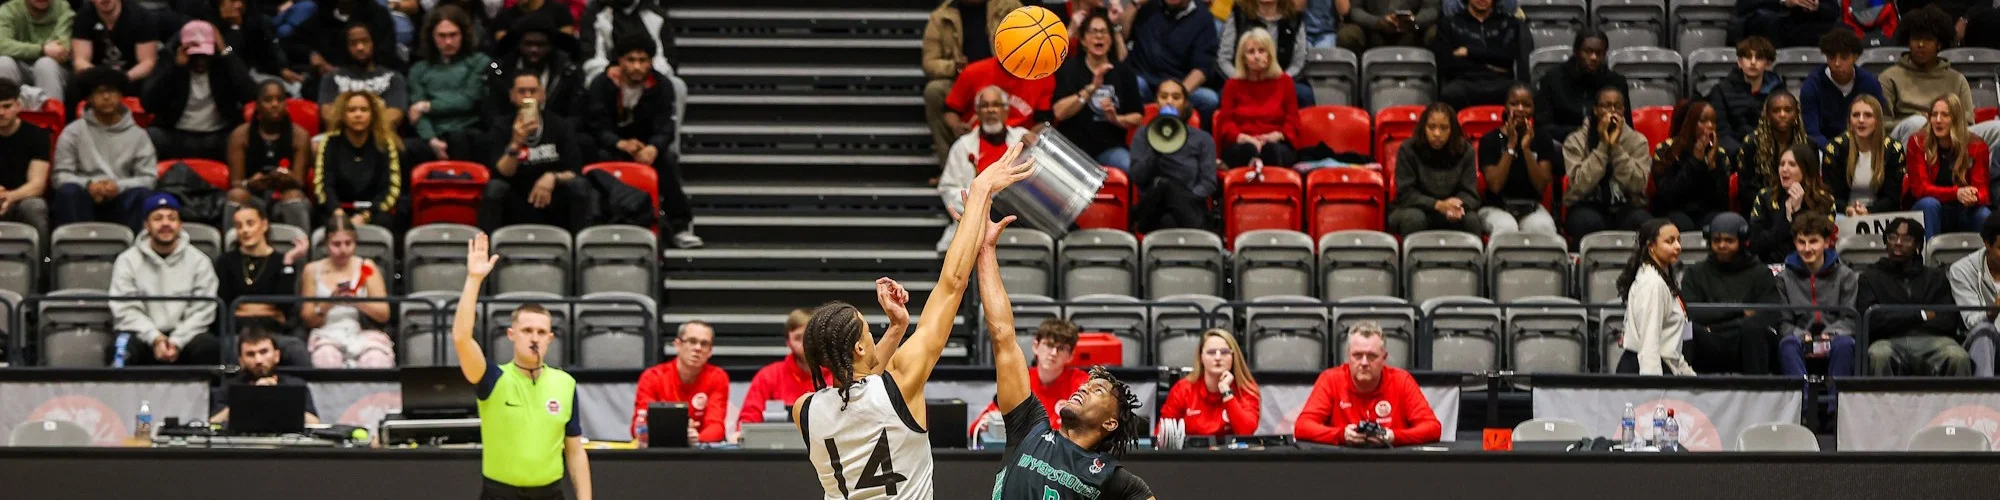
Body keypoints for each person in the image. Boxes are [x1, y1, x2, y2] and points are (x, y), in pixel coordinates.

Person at [797, 142, 1034, 500]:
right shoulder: (901, 383)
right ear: (860, 347)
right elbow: (952, 285)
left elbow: (861, 388)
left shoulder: (805, 409)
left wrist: (895, 329)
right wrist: (982, 188)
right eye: (869, 330)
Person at [977, 214, 1155, 499]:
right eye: (1085, 385)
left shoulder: (1113, 478)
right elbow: (1003, 336)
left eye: (1097, 390)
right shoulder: (1029, 426)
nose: (1083, 388)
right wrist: (985, 251)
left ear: (1110, 423)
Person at [451, 233, 592, 500]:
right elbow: (461, 338)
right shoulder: (492, 378)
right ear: (511, 334)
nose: (534, 337)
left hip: (550, 494)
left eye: (541, 332)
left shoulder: (565, 384)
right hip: (499, 494)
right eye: (527, 330)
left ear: (550, 338)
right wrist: (474, 279)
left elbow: (574, 450)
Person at [584, 35, 700, 249]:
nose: (637, 66)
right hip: (612, 146)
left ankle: (680, 226)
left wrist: (653, 147)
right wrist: (618, 143)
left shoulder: (662, 85)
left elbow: (666, 125)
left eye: (643, 60)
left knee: (667, 161)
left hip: (646, 147)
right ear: (620, 61)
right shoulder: (602, 84)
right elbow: (595, 123)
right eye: (631, 60)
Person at [110, 194, 221, 366]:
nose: (165, 224)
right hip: (143, 334)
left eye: (171, 218)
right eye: (158, 218)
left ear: (180, 224)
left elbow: (204, 310)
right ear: (146, 225)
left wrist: (176, 340)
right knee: (120, 348)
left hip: (185, 336)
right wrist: (155, 338)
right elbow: (125, 309)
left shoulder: (199, 261)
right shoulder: (127, 261)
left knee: (209, 348)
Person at [1294, 321, 1443, 447]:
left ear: (1384, 357)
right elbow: (1302, 427)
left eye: (1372, 356)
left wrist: (1394, 436)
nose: (1364, 363)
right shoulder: (1330, 379)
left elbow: (1432, 428)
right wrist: (1340, 435)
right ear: (1348, 356)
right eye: (1357, 355)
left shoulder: (1402, 380)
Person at [1860, 217, 1973, 376]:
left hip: (1933, 341)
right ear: (1886, 242)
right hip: (1888, 341)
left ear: (1918, 245)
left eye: (1907, 239)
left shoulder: (1936, 277)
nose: (1898, 242)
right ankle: (1884, 402)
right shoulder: (1870, 277)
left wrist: (1894, 317)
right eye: (1892, 237)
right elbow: (1872, 321)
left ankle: (1961, 402)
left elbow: (1947, 320)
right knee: (1879, 355)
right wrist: (1921, 315)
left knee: (1958, 357)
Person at [480, 71, 588, 233]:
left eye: (533, 91)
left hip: (552, 195)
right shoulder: (501, 127)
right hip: (516, 195)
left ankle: (578, 249)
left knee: (579, 186)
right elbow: (500, 174)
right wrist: (516, 143)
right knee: (494, 188)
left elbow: (575, 172)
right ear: (512, 96)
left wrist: (553, 177)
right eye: (522, 91)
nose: (528, 96)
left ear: (543, 95)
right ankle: (488, 251)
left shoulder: (560, 126)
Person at [50, 67, 155, 230]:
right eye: (99, 92)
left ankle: (134, 253)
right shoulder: (73, 131)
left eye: (112, 92)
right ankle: (75, 252)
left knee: (142, 194)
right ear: (89, 98)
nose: (106, 97)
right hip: (85, 196)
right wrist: (89, 184)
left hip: (122, 196)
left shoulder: (139, 135)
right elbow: (60, 176)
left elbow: (148, 178)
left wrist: (118, 186)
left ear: (121, 96)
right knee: (68, 192)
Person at [1679, 212, 1782, 374]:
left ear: (1742, 242)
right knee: (1686, 330)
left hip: (1745, 341)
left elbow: (1769, 314)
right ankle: (1684, 390)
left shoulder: (1761, 273)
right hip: (1709, 340)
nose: (1722, 245)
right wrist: (1740, 311)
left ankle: (1757, 391)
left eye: (1729, 240)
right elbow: (1691, 312)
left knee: (1754, 329)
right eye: (1717, 240)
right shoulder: (1695, 273)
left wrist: (1717, 322)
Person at [923, 0, 1025, 162]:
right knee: (934, 90)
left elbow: (1028, 38)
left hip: (1003, 72)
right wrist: (954, 66)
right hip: (963, 77)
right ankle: (951, 165)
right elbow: (930, 62)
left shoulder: (1008, 5)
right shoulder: (941, 17)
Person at [143, 20, 255, 162]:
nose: (200, 61)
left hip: (218, 137)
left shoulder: (224, 65)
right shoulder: (170, 62)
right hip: (176, 136)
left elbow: (250, 94)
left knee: (243, 135)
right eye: (195, 56)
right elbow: (148, 103)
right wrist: (175, 68)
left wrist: (225, 51)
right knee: (152, 135)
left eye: (205, 55)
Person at [214, 205, 310, 366]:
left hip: (273, 331)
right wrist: (267, 308)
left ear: (264, 225)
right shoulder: (225, 262)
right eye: (239, 226)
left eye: (250, 223)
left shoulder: (281, 261)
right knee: (226, 348)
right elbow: (226, 304)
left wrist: (288, 262)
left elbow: (285, 306)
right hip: (238, 330)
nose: (244, 230)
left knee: (296, 349)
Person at [937, 86, 1028, 251]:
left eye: (996, 105)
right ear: (977, 112)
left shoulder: (1023, 139)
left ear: (1006, 110)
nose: (990, 110)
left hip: (1020, 221)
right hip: (977, 223)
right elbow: (948, 189)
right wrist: (982, 200)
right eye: (984, 106)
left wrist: (1036, 146)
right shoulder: (963, 146)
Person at [1052, 11, 1144, 170]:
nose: (1099, 36)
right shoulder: (1069, 69)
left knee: (1130, 165)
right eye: (1093, 32)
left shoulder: (1124, 72)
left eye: (1103, 32)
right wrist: (1091, 88)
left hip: (1110, 148)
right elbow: (1059, 112)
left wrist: (1116, 119)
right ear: (1083, 40)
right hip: (1073, 147)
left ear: (1110, 39)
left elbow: (1137, 117)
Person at [970, 319, 1089, 441]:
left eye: (1062, 348)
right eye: (1049, 345)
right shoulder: (1019, 381)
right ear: (1036, 346)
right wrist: (985, 424)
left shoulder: (1082, 384)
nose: (1053, 353)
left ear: (1070, 355)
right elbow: (975, 427)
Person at [1771, 214, 1860, 377]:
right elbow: (1783, 322)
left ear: (1826, 243)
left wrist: (1830, 334)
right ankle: (1799, 400)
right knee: (1787, 344)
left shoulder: (1845, 275)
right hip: (1799, 338)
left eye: (1813, 241)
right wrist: (1802, 335)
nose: (1807, 249)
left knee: (1845, 344)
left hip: (1835, 338)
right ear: (1794, 243)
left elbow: (1850, 319)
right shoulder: (1783, 279)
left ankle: (1837, 401)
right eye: (1801, 242)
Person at [299, 217, 392, 368]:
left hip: (362, 333)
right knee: (326, 359)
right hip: (327, 333)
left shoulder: (366, 267)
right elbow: (307, 318)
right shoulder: (311, 270)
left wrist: (358, 303)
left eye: (348, 243)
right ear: (326, 244)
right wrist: (329, 303)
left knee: (375, 361)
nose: (343, 250)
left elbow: (384, 314)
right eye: (336, 244)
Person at [1562, 87, 1652, 237]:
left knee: (1643, 222)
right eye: (1606, 106)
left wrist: (1616, 148)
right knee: (1589, 223)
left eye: (1617, 107)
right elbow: (1579, 185)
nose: (1612, 111)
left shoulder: (1638, 141)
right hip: (1585, 204)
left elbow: (1638, 184)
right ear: (1596, 110)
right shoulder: (1575, 141)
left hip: (1626, 205)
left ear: (1623, 110)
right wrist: (1603, 146)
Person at [226, 81, 314, 231]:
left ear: (286, 105)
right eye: (268, 100)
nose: (274, 104)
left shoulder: (300, 135)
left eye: (280, 100)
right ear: (257, 105)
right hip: (253, 199)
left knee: (293, 195)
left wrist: (287, 179)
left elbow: (300, 182)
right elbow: (236, 182)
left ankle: (302, 250)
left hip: (286, 196)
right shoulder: (240, 135)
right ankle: (231, 250)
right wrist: (250, 184)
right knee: (236, 195)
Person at [1880, 7, 1975, 143]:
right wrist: (1924, 123)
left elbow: (1968, 121)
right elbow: (1881, 123)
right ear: (1908, 42)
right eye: (1916, 39)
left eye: (1928, 40)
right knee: (1916, 123)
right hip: (1903, 137)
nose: (1920, 44)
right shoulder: (1889, 77)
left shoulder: (1957, 79)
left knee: (1996, 128)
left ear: (1939, 44)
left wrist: (1939, 123)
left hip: (1950, 134)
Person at [408, 5, 490, 163]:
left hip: (468, 132)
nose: (448, 41)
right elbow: (416, 114)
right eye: (442, 35)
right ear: (432, 36)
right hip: (433, 135)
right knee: (404, 149)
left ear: (464, 35)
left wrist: (427, 106)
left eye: (453, 35)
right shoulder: (418, 70)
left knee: (460, 138)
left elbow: (468, 101)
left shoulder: (480, 62)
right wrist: (431, 139)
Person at [311, 90, 403, 231]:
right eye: (351, 110)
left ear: (372, 114)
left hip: (373, 213)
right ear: (343, 115)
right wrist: (339, 214)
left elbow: (390, 189)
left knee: (386, 220)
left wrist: (365, 216)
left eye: (364, 110)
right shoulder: (329, 142)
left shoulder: (385, 144)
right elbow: (323, 185)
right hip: (337, 211)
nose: (358, 115)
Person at [1475, 84, 1559, 236]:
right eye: (1514, 104)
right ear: (1506, 107)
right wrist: (1511, 146)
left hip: (1531, 208)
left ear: (1533, 109)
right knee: (1507, 228)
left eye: (1526, 105)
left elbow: (1541, 185)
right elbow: (1495, 185)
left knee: (1543, 227)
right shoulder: (1490, 140)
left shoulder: (1542, 138)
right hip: (1495, 207)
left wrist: (1526, 149)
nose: (1520, 109)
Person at [1391, 101, 1483, 235]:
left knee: (1472, 220)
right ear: (1424, 128)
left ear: (1452, 130)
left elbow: (1470, 193)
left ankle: (1472, 257)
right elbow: (1406, 194)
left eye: (1444, 128)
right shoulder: (1408, 149)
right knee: (1414, 218)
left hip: (1452, 210)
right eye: (1431, 127)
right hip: (1414, 208)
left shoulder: (1465, 151)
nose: (1437, 133)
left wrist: (1457, 205)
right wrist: (1438, 205)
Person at [1214, 28, 1302, 168]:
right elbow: (1225, 122)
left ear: (1270, 54)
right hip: (1242, 143)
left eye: (1261, 51)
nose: (1256, 56)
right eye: (1251, 52)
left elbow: (1292, 119)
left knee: (1271, 150)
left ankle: (1275, 188)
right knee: (1248, 150)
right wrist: (1243, 138)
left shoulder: (1285, 82)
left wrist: (1277, 135)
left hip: (1276, 142)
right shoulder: (1232, 85)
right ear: (1243, 58)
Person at [1616, 218, 1693, 375]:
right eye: (1669, 241)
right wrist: (1653, 389)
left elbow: (1670, 347)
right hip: (1646, 370)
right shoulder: (1652, 284)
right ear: (1651, 247)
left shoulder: (1660, 278)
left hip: (1660, 366)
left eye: (1678, 240)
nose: (1678, 246)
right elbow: (1649, 344)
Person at [631, 321, 729, 444]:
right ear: (677, 345)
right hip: (659, 451)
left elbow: (716, 426)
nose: (698, 348)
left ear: (710, 351)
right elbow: (639, 426)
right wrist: (679, 436)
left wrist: (698, 440)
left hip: (700, 452)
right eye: (692, 341)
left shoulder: (718, 377)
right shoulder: (652, 377)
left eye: (704, 344)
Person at [736, 308, 834, 431]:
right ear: (788, 342)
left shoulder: (838, 375)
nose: (805, 344)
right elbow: (748, 421)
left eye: (810, 338)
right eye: (798, 338)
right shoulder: (769, 375)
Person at [1908, 94, 1990, 237]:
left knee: (1984, 214)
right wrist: (1956, 193)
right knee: (1929, 204)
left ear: (1956, 119)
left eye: (1945, 115)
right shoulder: (1917, 142)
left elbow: (1983, 190)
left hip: (1963, 210)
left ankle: (1983, 259)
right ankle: (1929, 258)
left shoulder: (1976, 145)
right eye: (1934, 115)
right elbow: (1919, 189)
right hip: (1930, 209)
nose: (1938, 120)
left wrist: (1973, 196)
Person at [1129, 104, 1218, 232]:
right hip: (1152, 209)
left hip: (1190, 205)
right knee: (1162, 187)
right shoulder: (1143, 135)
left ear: (1185, 104)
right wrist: (1155, 150)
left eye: (1176, 98)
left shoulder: (1202, 139)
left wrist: (1183, 200)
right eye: (1164, 97)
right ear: (1157, 104)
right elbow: (1137, 177)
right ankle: (1203, 232)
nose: (1169, 101)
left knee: (1168, 218)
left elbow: (1208, 182)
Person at [1158, 328, 1261, 438]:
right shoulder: (1183, 389)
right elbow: (1162, 434)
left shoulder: (1246, 388)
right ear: (1201, 357)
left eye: (1224, 352)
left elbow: (1246, 432)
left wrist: (1227, 393)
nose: (1217, 357)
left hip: (1232, 454)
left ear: (1233, 356)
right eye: (1211, 352)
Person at [207, 327, 320, 424]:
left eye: (264, 352)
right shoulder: (229, 387)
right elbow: (214, 423)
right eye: (250, 354)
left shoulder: (296, 385)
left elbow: (314, 423)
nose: (258, 360)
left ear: (277, 355)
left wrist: (276, 397)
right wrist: (251, 397)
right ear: (241, 360)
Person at [1535, 30, 1630, 145]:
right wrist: (1583, 133)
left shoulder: (1616, 82)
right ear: (1576, 52)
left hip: (1607, 143)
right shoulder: (1552, 79)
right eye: (1588, 52)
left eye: (1599, 53)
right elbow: (1543, 127)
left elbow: (1626, 126)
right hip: (1562, 144)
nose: (1594, 57)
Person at [485, 17, 584, 126]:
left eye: (540, 44)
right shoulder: (500, 72)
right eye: (528, 44)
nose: (534, 49)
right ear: (519, 45)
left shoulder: (568, 72)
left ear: (550, 46)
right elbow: (492, 113)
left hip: (557, 135)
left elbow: (577, 116)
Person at [1127, 0, 1221, 114]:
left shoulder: (1204, 18)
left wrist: (1177, 95)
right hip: (1144, 79)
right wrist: (1134, 4)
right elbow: (1121, 35)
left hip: (1180, 85)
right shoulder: (1147, 6)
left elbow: (1202, 68)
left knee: (1209, 100)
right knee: (1133, 83)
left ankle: (1186, 131)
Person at [1748, 143, 1837, 263]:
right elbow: (1756, 244)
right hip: (1769, 265)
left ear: (1806, 169)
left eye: (1792, 164)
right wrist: (1787, 217)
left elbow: (1813, 244)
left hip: (1810, 267)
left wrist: (1797, 213)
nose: (1784, 169)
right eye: (1781, 164)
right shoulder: (1764, 197)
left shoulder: (1824, 200)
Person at [1822, 95, 1908, 219]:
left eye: (1868, 115)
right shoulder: (1835, 148)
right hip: (1843, 212)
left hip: (1881, 214)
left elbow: (1893, 198)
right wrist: (1848, 209)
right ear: (1849, 121)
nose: (1861, 120)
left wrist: (1868, 211)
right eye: (1856, 115)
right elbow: (1830, 195)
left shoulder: (1893, 149)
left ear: (1877, 120)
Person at [1652, 100, 1731, 231]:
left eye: (1713, 121)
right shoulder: (1666, 150)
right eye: (1704, 121)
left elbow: (1722, 202)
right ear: (1691, 123)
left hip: (1705, 212)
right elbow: (1668, 196)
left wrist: (1712, 166)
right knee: (1683, 223)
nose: (1710, 126)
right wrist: (1695, 161)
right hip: (1673, 210)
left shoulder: (1720, 155)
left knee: (1719, 222)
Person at [1800, 29, 1886, 146]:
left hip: (1864, 144)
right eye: (1832, 57)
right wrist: (1834, 151)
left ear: (1855, 57)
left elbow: (1878, 123)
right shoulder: (1812, 86)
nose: (1837, 63)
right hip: (1825, 148)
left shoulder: (1869, 83)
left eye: (1844, 58)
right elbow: (1812, 133)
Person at [1217, 0, 1312, 106]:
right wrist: (1241, 78)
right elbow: (1223, 59)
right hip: (1244, 80)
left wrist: (1280, 80)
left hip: (1281, 80)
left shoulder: (1295, 19)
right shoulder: (1238, 16)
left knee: (1304, 94)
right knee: (1225, 94)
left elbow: (1298, 63)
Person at [1430, 0, 1520, 109]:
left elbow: (1508, 58)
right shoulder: (1449, 23)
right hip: (1463, 81)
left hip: (1500, 81)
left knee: (1520, 92)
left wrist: (1469, 52)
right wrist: (1489, 64)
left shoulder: (1509, 23)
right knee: (1451, 93)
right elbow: (1446, 63)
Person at [1734, 90, 1809, 213]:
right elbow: (1745, 191)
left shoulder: (1807, 145)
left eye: (1788, 110)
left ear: (1796, 114)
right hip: (1761, 208)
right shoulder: (1751, 144)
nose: (1782, 114)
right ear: (1767, 115)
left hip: (1800, 205)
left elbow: (1813, 184)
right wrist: (1775, 203)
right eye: (1776, 110)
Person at [316, 22, 410, 119]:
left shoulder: (393, 78)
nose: (360, 47)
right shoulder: (331, 78)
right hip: (341, 133)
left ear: (373, 43)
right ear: (346, 47)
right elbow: (328, 116)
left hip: (381, 134)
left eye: (365, 41)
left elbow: (394, 114)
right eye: (353, 43)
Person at [1706, 37, 1781, 152]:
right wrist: (1743, 153)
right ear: (1739, 62)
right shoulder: (1720, 90)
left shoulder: (1778, 91)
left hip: (1770, 153)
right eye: (1748, 57)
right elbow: (1722, 132)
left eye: (1759, 57)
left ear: (1768, 64)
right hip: (1734, 154)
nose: (1753, 62)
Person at [211, 0, 298, 92]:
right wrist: (234, 29)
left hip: (252, 72)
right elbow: (229, 50)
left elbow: (264, 47)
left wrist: (280, 69)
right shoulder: (208, 19)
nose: (239, 5)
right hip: (221, 75)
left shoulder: (252, 20)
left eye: (243, 2)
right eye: (233, 1)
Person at [0, 77, 50, 234]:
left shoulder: (37, 135)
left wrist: (9, 197)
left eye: (6, 106)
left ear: (18, 106)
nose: (1, 113)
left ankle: (44, 259)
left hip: (23, 197)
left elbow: (37, 184)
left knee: (35, 207)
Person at [71, 0, 161, 86]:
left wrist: (121, 79)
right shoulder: (83, 17)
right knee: (74, 85)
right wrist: (102, 79)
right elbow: (80, 61)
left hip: (133, 77)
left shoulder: (142, 17)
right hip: (95, 79)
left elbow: (147, 62)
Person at [0, 0, 73, 104]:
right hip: (18, 66)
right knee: (3, 62)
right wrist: (42, 49)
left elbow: (61, 49)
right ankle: (5, 114)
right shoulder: (9, 9)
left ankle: (51, 116)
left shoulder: (63, 7)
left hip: (53, 67)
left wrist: (18, 48)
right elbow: (2, 44)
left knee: (45, 65)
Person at [1337, 0, 1438, 50]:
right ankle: (1357, 87)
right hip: (1372, 31)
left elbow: (1432, 9)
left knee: (1436, 34)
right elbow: (1355, 10)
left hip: (1413, 31)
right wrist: (1377, 23)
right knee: (1347, 35)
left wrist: (1414, 21)